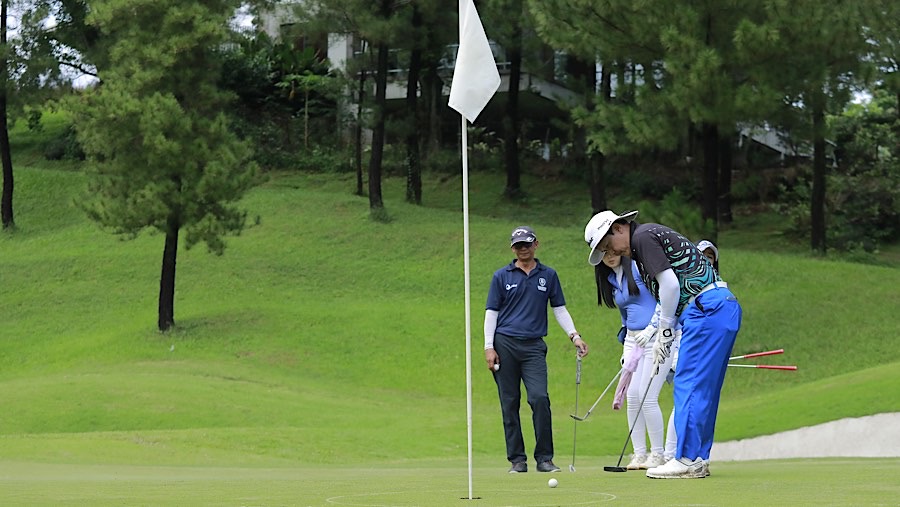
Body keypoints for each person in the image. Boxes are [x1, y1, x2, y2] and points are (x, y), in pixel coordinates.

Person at [584, 211, 741, 479]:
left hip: (705, 311)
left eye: (608, 244)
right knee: (704, 389)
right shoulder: (644, 244)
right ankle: (699, 458)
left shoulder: (643, 236)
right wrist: (662, 329)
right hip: (718, 307)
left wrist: (666, 330)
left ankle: (686, 458)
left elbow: (670, 286)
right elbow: (668, 291)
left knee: (688, 384)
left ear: (619, 228)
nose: (611, 251)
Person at [484, 225, 589, 474]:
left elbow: (559, 309)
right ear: (512, 248)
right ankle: (517, 461)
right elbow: (491, 313)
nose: (522, 249)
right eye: (518, 245)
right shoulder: (502, 276)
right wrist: (489, 346)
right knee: (509, 403)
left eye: (526, 244)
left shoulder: (548, 275)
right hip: (505, 343)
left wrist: (574, 335)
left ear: (535, 245)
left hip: (533, 346)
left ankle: (545, 458)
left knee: (539, 398)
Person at [595, 250, 671, 470]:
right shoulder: (610, 278)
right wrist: (626, 344)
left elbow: (664, 297)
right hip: (633, 340)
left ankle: (658, 454)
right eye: (603, 253)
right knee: (633, 396)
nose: (609, 256)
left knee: (648, 397)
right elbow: (626, 313)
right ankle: (639, 454)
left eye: (611, 250)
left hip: (657, 337)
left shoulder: (638, 267)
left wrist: (652, 328)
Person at [664, 238, 720, 463]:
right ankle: (671, 454)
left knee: (699, 400)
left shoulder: (716, 286)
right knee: (685, 399)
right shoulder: (681, 282)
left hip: (701, 345)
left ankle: (695, 455)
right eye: (702, 256)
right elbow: (670, 315)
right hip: (680, 342)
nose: (706, 260)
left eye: (710, 257)